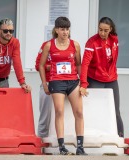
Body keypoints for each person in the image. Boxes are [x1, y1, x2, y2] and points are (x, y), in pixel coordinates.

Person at [39, 17, 87, 155]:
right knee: (59, 111)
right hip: (56, 81)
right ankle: (62, 146)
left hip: (73, 81)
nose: (65, 32)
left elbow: (79, 64)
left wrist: (83, 83)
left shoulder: (75, 45)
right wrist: (44, 83)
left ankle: (80, 146)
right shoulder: (49, 45)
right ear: (56, 30)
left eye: (67, 29)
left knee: (78, 112)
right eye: (62, 29)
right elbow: (41, 65)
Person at [80, 17, 124, 137]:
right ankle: (92, 137)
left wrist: (111, 73)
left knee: (115, 110)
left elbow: (113, 60)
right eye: (100, 30)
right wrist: (83, 83)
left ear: (110, 29)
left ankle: (120, 137)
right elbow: (85, 64)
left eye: (105, 30)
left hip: (111, 79)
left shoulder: (114, 40)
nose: (102, 33)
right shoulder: (92, 42)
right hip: (95, 79)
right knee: (94, 109)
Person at [35, 41, 53, 138]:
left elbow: (76, 64)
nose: (64, 32)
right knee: (45, 117)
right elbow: (38, 65)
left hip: (65, 84)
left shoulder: (71, 45)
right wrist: (49, 67)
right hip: (48, 83)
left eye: (66, 30)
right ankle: (41, 144)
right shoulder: (47, 45)